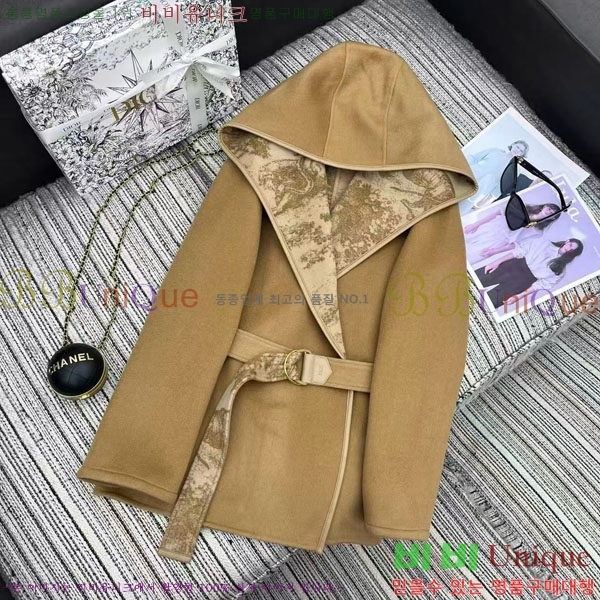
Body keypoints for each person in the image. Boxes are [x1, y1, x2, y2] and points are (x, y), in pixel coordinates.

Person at [475, 237, 584, 309]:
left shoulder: (561, 270)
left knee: (487, 303)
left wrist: (519, 296)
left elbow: (540, 285)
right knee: (474, 280)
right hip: (510, 266)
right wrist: (496, 262)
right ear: (567, 242)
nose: (569, 249)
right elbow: (519, 252)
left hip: (521, 283)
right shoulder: (543, 242)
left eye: (573, 250)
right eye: (570, 245)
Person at [463, 202, 561, 266]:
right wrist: (476, 224)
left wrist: (495, 251)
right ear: (545, 206)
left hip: (496, 242)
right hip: (489, 228)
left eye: (552, 213)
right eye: (549, 209)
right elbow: (497, 213)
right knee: (458, 240)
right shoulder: (523, 207)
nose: (549, 212)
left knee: (468, 258)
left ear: (552, 218)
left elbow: (516, 244)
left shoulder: (538, 232)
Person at [460, 140, 530, 215]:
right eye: (517, 147)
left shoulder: (513, 171)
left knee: (459, 211)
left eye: (521, 151)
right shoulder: (495, 151)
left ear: (522, 155)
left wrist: (483, 203)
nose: (517, 150)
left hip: (478, 192)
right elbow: (474, 158)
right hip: (465, 179)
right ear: (513, 144)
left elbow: (498, 190)